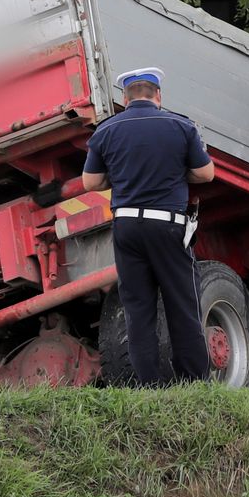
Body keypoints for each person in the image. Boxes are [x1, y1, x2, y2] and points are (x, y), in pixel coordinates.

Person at [81, 66, 216, 384]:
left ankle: (149, 385)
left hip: (127, 227)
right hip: (168, 225)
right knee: (182, 304)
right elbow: (205, 174)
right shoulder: (180, 126)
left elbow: (90, 182)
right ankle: (193, 381)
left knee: (138, 308)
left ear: (124, 98)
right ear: (158, 95)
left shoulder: (107, 130)